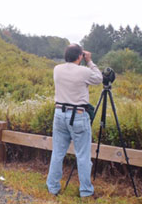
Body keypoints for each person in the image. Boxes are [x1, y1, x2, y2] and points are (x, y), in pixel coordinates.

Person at [46, 44, 103, 198]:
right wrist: (89, 61)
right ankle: (85, 191)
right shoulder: (84, 71)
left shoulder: (57, 69)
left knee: (57, 153)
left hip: (59, 113)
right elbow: (99, 78)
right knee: (83, 155)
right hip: (78, 114)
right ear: (80, 56)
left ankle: (52, 187)